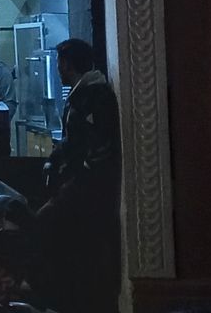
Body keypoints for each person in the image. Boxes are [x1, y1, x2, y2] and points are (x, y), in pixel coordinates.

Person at [37, 38, 121, 313]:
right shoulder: (81, 93)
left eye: (60, 63)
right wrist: (54, 160)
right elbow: (72, 141)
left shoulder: (94, 96)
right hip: (78, 187)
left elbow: (98, 146)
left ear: (68, 64)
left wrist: (78, 179)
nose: (58, 69)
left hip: (87, 192)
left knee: (47, 225)